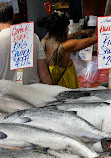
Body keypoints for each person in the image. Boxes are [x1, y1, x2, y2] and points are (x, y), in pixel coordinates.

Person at [37, 11, 97, 89]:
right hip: (66, 87)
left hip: (54, 88)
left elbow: (60, 39)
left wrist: (80, 32)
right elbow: (95, 39)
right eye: (67, 27)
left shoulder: (44, 41)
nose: (68, 29)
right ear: (62, 30)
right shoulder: (66, 47)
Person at [0, 2, 52, 85]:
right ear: (13, 17)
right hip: (33, 94)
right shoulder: (32, 37)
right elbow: (44, 75)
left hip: (6, 95)